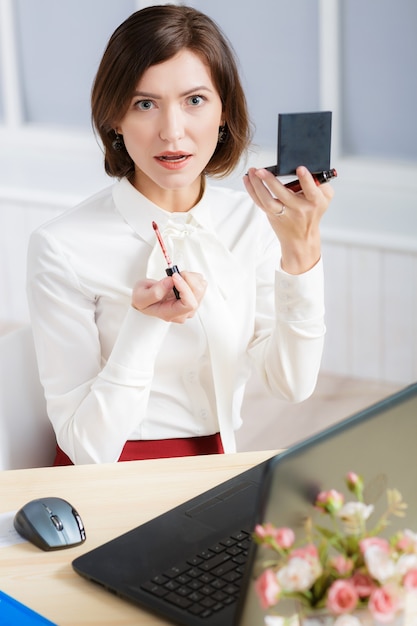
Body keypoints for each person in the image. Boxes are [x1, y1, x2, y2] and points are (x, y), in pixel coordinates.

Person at [26, 4, 334, 465]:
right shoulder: (61, 246)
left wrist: (301, 251)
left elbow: (291, 384)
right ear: (114, 118)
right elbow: (86, 449)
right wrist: (147, 322)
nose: (172, 133)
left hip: (219, 464)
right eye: (144, 104)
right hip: (107, 478)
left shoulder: (252, 222)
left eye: (194, 101)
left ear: (223, 112)